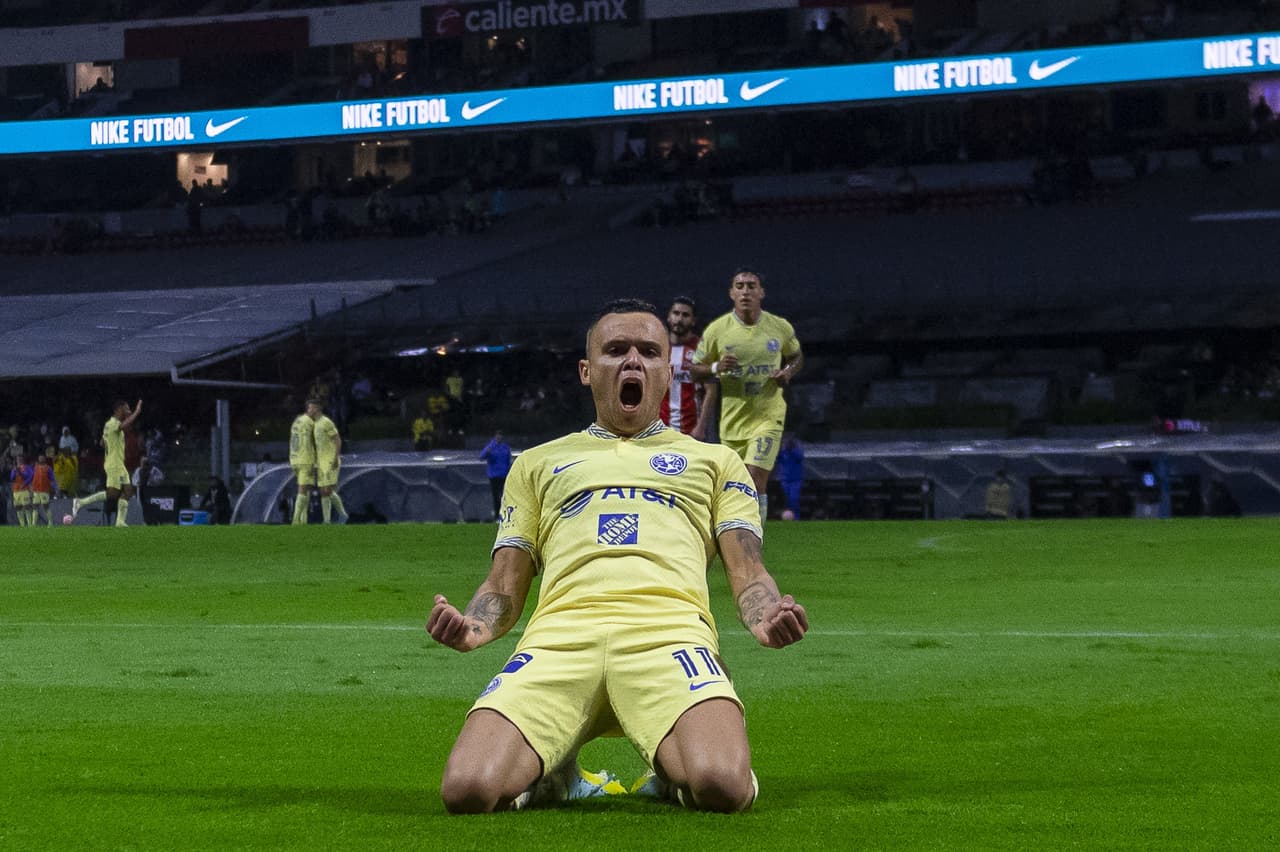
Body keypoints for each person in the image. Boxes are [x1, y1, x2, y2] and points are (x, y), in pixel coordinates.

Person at [426, 298, 808, 815]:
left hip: (668, 636)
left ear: (666, 372)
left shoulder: (717, 462)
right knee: (467, 791)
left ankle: (669, 772)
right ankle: (556, 776)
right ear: (587, 371)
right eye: (615, 350)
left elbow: (748, 569)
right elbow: (503, 584)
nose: (633, 361)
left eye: (649, 351)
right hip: (560, 640)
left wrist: (765, 616)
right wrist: (473, 625)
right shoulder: (536, 464)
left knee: (721, 785)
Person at [690, 268, 803, 524]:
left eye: (751, 286)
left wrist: (788, 371)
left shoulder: (779, 327)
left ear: (761, 292)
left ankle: (755, 545)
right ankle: (736, 537)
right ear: (731, 293)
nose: (745, 291)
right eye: (739, 286)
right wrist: (717, 367)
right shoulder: (717, 330)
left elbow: (796, 357)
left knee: (755, 479)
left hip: (768, 416)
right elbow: (695, 370)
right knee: (735, 486)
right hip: (733, 422)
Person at [72, 399, 142, 527]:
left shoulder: (110, 426)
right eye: (126, 409)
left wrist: (111, 442)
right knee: (113, 493)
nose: (129, 411)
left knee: (128, 491)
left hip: (118, 462)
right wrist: (137, 412)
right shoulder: (112, 423)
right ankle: (80, 502)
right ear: (118, 410)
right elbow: (123, 426)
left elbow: (101, 443)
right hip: (114, 463)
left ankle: (120, 522)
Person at [659, 296, 709, 438]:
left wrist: (702, 426)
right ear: (669, 317)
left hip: (691, 428)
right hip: (660, 426)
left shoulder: (702, 348)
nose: (679, 319)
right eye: (676, 313)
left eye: (685, 315)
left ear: (693, 321)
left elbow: (710, 391)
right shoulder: (657, 347)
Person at [310, 399, 348, 524]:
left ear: (317, 409)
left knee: (327, 490)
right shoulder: (315, 424)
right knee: (323, 492)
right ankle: (326, 521)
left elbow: (338, 440)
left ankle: (343, 514)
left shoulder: (327, 422)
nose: (308, 410)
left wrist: (336, 457)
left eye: (310, 408)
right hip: (321, 462)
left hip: (331, 461)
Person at [289, 401, 318, 525]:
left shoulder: (296, 420)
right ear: (308, 409)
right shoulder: (309, 422)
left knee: (307, 490)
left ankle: (303, 520)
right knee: (303, 490)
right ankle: (296, 520)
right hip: (305, 459)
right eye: (314, 408)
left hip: (294, 459)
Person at [478, 430, 512, 520]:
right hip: (494, 475)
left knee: (505, 496)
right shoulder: (491, 446)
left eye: (501, 435)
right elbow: (481, 456)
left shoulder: (505, 447)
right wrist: (488, 451)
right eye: (498, 435)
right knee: (496, 496)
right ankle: (497, 515)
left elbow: (508, 461)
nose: (499, 437)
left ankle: (505, 515)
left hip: (504, 475)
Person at [775, 435, 804, 519]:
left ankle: (796, 517)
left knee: (794, 498)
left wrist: (792, 449)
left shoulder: (796, 450)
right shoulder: (783, 452)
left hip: (795, 479)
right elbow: (777, 458)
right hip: (784, 479)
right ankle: (789, 517)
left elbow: (800, 457)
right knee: (787, 499)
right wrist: (782, 449)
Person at [30, 453, 56, 527]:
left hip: (44, 491)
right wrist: (31, 488)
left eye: (42, 458)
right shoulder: (35, 467)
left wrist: (54, 488)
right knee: (35, 506)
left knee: (46, 506)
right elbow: (32, 477)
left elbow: (52, 479)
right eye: (40, 458)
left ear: (45, 459)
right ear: (38, 459)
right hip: (36, 491)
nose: (41, 459)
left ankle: (50, 523)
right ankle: (33, 524)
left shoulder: (48, 468)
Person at [10, 454, 32, 526]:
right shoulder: (14, 468)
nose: (19, 460)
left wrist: (20, 472)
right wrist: (15, 471)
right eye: (18, 459)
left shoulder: (27, 467)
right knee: (18, 507)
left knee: (26, 507)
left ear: (23, 459)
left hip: (24, 490)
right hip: (16, 491)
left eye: (20, 458)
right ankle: (22, 525)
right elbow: (12, 479)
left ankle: (30, 525)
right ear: (16, 460)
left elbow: (29, 476)